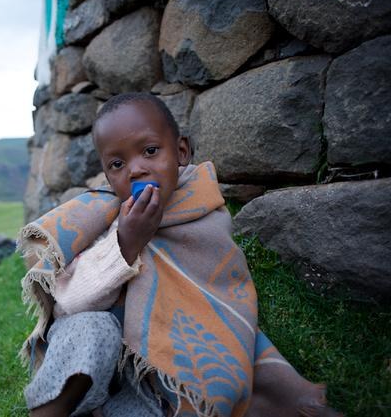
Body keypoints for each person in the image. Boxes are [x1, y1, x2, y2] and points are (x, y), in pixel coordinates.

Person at [18, 93, 339, 417]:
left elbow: (216, 297)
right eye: (117, 164)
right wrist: (126, 243)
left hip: (153, 378)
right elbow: (72, 303)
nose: (136, 169)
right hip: (89, 367)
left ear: (181, 152)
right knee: (91, 327)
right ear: (106, 174)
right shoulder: (105, 218)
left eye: (150, 151)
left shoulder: (203, 212)